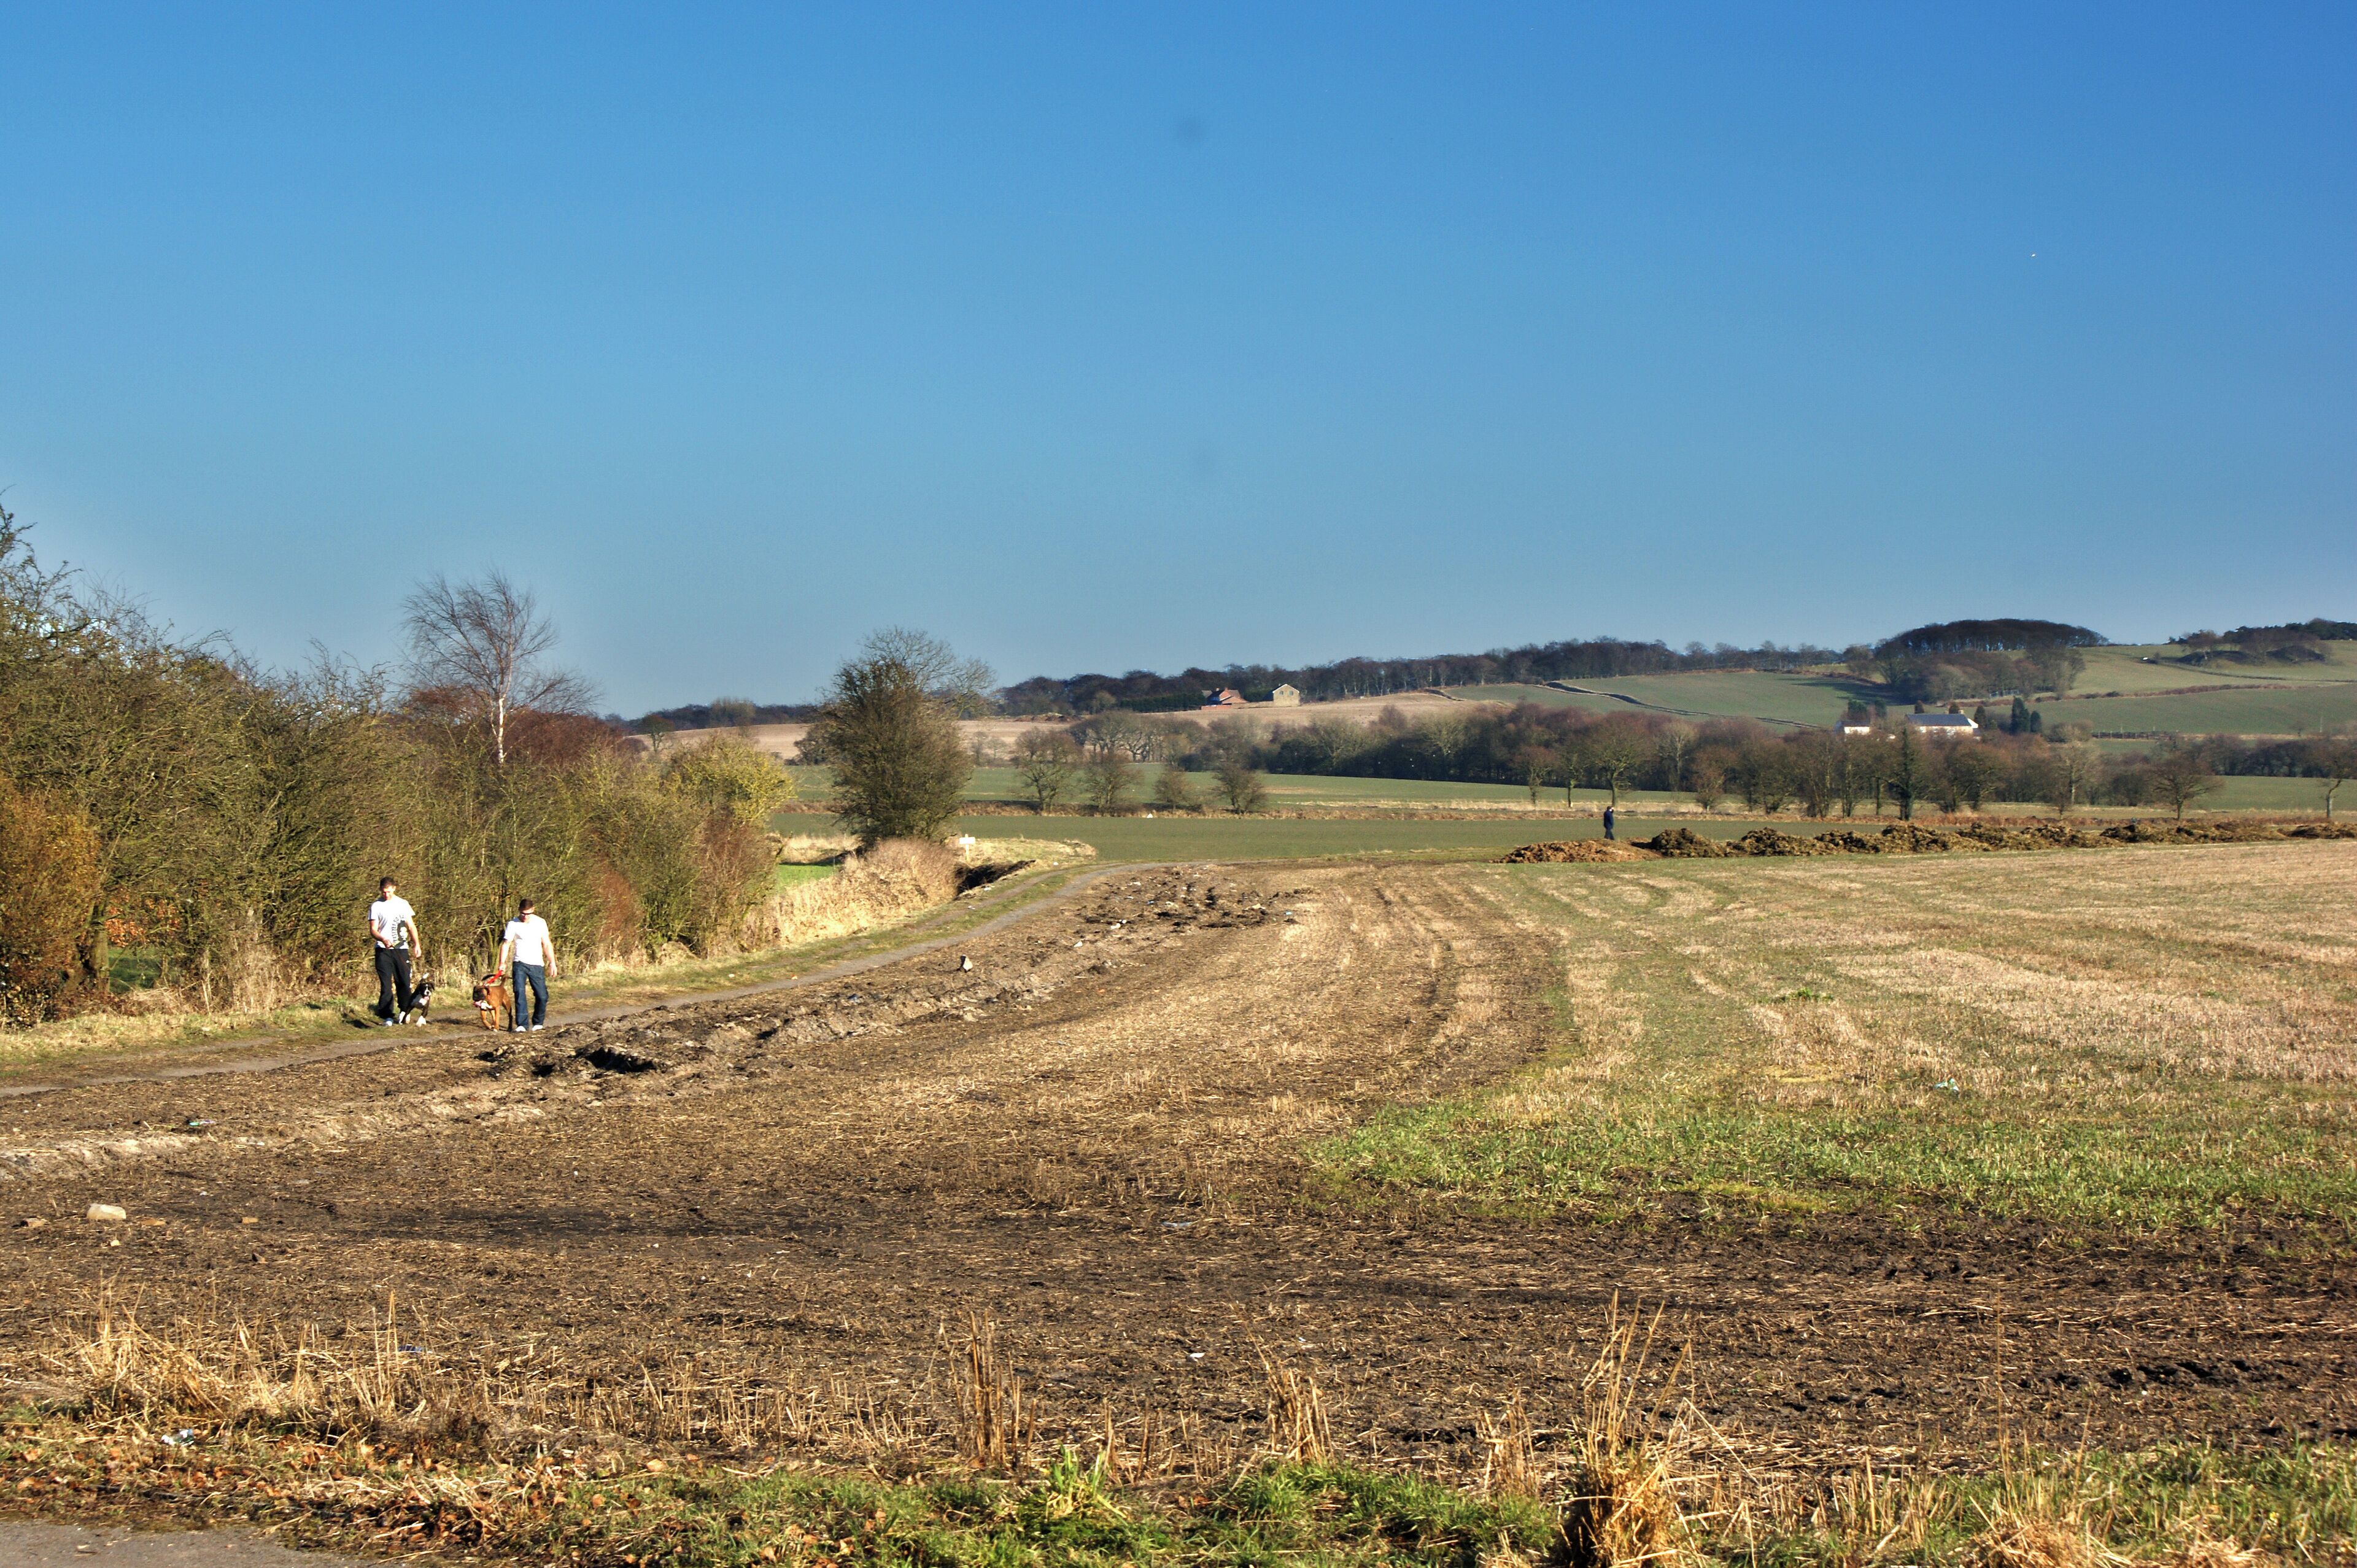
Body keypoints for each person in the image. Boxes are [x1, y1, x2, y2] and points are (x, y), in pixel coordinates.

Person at [367, 876, 422, 1026]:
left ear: (394, 889)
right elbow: (373, 929)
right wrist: (382, 939)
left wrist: (417, 944)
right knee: (386, 984)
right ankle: (387, 1016)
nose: (386, 895)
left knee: (404, 981)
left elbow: (411, 926)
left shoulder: (403, 904)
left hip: (401, 949)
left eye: (389, 892)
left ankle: (405, 1011)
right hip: (383, 950)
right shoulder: (376, 906)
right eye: (384, 892)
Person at [498, 897, 556, 1033]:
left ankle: (538, 1022)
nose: (525, 917)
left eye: (528, 914)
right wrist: (502, 963)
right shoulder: (513, 924)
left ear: (533, 910)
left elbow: (547, 944)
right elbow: (506, 944)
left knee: (542, 996)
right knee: (519, 992)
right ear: (519, 911)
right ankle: (522, 1025)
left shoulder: (541, 923)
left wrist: (552, 962)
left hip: (537, 964)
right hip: (519, 963)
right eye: (523, 913)